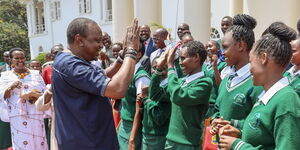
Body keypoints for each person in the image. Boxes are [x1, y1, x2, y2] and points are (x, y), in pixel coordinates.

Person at [52, 17, 140, 150]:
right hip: (87, 143)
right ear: (79, 40)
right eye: (97, 40)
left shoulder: (71, 60)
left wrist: (121, 58)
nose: (101, 45)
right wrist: (132, 52)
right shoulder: (70, 65)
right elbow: (117, 89)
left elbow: (101, 75)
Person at [218, 22, 300, 150]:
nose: (249, 69)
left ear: (263, 58)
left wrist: (237, 146)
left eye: (251, 62)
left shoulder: (286, 101)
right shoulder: (267, 96)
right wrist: (239, 132)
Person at [210, 14, 262, 135]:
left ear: (241, 46)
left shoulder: (257, 82)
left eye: (225, 48)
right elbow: (218, 111)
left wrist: (235, 128)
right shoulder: (226, 79)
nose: (222, 53)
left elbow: (260, 123)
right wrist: (215, 122)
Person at [158, 41, 213, 149]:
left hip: (187, 144)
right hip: (171, 140)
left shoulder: (204, 83)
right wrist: (159, 69)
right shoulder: (181, 81)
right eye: (179, 59)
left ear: (196, 57)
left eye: (183, 58)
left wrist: (170, 67)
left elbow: (178, 96)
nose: (180, 63)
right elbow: (155, 94)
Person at [0, 48, 48, 150]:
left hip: (35, 114)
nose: (20, 60)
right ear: (11, 60)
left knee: (39, 143)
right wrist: (11, 86)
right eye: (16, 58)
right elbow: (2, 96)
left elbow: (44, 93)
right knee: (22, 144)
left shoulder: (35, 74)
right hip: (17, 116)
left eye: (22, 58)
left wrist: (35, 96)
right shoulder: (5, 76)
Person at [118, 43, 150, 150]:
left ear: (139, 54)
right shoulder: (128, 72)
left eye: (128, 51)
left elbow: (139, 110)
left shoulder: (141, 77)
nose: (124, 53)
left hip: (132, 129)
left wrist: (132, 140)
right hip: (124, 125)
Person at [139, 56, 171, 150]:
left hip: (158, 136)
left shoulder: (168, 87)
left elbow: (159, 117)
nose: (157, 71)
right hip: (146, 133)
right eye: (154, 68)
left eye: (163, 68)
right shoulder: (151, 85)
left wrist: (145, 99)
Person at [203, 40, 227, 118]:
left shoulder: (223, 65)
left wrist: (215, 66)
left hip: (214, 106)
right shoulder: (204, 66)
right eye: (206, 47)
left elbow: (221, 85)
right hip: (203, 105)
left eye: (210, 46)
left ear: (218, 48)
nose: (208, 49)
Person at [0, 50, 12, 150]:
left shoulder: (22, 70)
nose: (8, 58)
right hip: (3, 103)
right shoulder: (1, 69)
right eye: (6, 56)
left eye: (9, 56)